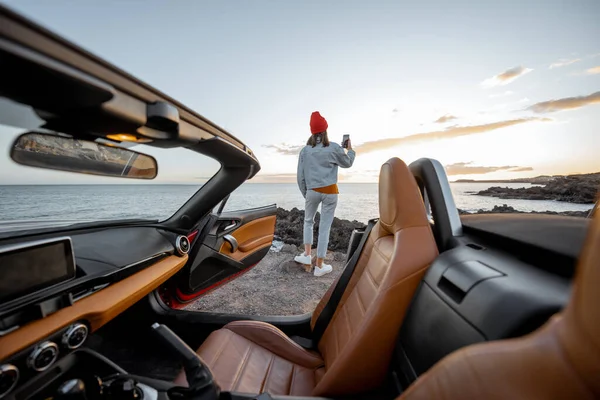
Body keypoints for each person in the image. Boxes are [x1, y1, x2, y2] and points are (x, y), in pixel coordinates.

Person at [294, 111, 356, 276]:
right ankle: (319, 266)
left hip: (312, 191)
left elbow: (300, 177)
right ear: (325, 130)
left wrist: (306, 194)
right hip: (330, 192)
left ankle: (307, 255)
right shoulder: (334, 147)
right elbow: (348, 163)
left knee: (308, 221)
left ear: (312, 131)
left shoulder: (305, 151)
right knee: (325, 228)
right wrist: (350, 150)